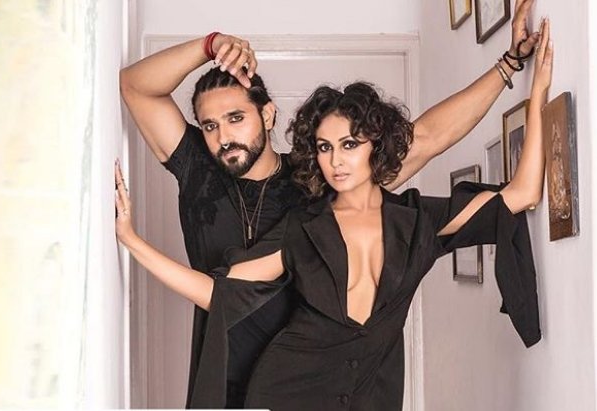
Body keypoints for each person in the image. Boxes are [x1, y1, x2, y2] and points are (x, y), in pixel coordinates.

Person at [118, 1, 541, 406]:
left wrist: (508, 65)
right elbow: (135, 86)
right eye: (209, 125)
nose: (223, 137)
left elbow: (427, 138)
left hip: (316, 377)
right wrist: (210, 45)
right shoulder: (198, 168)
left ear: (267, 115)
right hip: (225, 375)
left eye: (236, 118)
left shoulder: (318, 179)